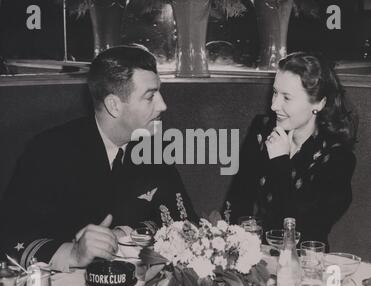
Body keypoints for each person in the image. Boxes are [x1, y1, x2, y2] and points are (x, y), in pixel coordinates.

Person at [0, 45, 196, 270]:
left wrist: (129, 233)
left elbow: (185, 222)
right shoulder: (49, 153)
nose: (163, 105)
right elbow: (10, 237)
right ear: (113, 105)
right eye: (150, 96)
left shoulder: (153, 147)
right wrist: (73, 253)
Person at [225, 52, 357, 250]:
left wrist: (280, 161)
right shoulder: (262, 130)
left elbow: (304, 230)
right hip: (254, 256)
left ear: (319, 103)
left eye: (286, 97)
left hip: (304, 263)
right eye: (275, 92)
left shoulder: (338, 158)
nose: (274, 105)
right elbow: (237, 201)